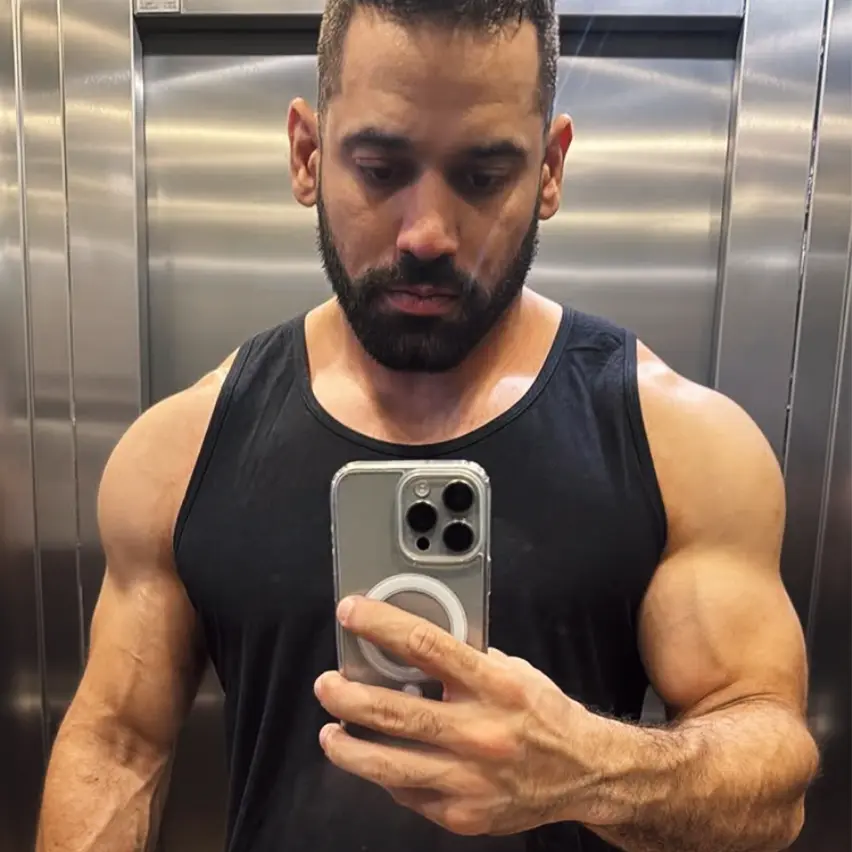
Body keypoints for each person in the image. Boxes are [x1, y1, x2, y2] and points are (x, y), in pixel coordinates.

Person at [36, 2, 819, 851]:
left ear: (550, 168)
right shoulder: (183, 448)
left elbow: (774, 788)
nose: (428, 234)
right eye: (380, 168)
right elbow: (116, 746)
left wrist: (593, 769)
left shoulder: (678, 442)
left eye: (482, 176)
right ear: (307, 154)